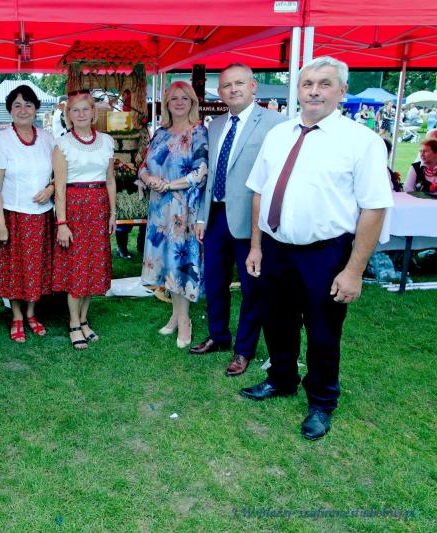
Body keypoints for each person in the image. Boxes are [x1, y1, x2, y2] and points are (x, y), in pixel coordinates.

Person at [241, 56, 392, 440]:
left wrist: (354, 271)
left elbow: (374, 208)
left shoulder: (362, 141)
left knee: (323, 331)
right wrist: (257, 246)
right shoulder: (279, 134)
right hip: (276, 247)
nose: (314, 91)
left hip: (325, 253)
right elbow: (259, 192)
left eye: (324, 84)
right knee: (276, 321)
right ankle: (282, 379)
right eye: (307, 84)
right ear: (298, 90)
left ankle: (322, 401)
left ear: (342, 91)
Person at [191, 63, 288, 376]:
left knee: (251, 288)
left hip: (251, 220)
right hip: (216, 216)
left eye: (239, 83)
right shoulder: (216, 125)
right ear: (219, 92)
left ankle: (244, 349)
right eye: (226, 85)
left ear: (253, 86)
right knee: (214, 282)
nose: (233, 89)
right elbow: (211, 176)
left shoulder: (276, 123)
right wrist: (202, 217)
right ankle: (218, 336)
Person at [139, 81, 208, 349]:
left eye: (184, 98)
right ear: (166, 103)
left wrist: (168, 185)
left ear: (192, 103)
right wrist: (149, 178)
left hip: (183, 210)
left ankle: (185, 320)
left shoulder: (198, 132)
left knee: (180, 265)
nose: (179, 102)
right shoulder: (159, 133)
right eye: (174, 98)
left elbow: (201, 173)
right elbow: (143, 165)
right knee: (167, 264)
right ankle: (175, 316)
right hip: (159, 210)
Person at [0, 85, 55, 343]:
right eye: (17, 105)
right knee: (14, 269)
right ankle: (16, 315)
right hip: (13, 216)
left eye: (28, 105)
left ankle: (31, 313)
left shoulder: (47, 138)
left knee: (36, 267)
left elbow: (60, 174)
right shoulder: (1, 141)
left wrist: (50, 189)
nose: (23, 110)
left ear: (36, 109)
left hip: (42, 216)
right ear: (10, 110)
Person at [53, 89, 116, 349]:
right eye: (75, 110)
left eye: (85, 109)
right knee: (77, 267)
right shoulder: (63, 144)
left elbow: (110, 180)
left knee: (93, 267)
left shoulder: (107, 141)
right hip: (75, 210)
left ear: (93, 113)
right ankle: (73, 324)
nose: (81, 114)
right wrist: (62, 223)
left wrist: (113, 213)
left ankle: (84, 319)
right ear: (68, 114)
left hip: (99, 208)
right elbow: (59, 187)